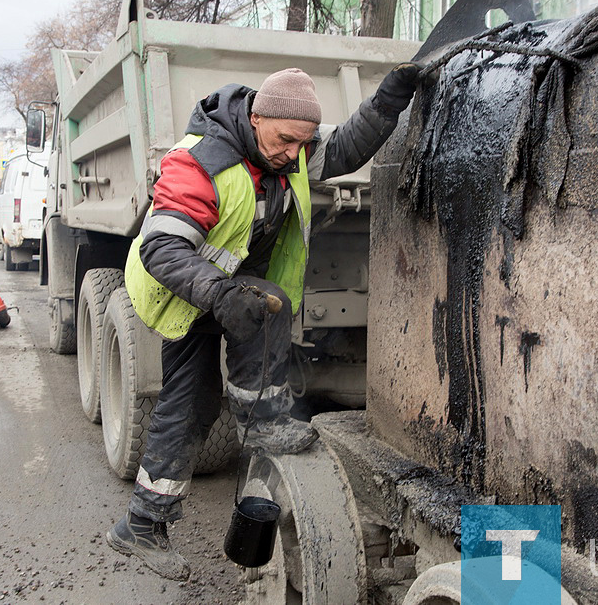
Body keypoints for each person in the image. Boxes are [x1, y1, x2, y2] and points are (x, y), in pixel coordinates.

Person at [106, 64, 421, 580]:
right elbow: (162, 248)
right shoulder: (200, 162)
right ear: (256, 118)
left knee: (269, 305)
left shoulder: (289, 148)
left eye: (303, 143)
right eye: (284, 141)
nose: (294, 155)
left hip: (229, 288)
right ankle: (142, 524)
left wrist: (389, 99)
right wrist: (218, 292)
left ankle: (263, 424)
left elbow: (344, 148)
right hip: (183, 290)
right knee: (190, 403)